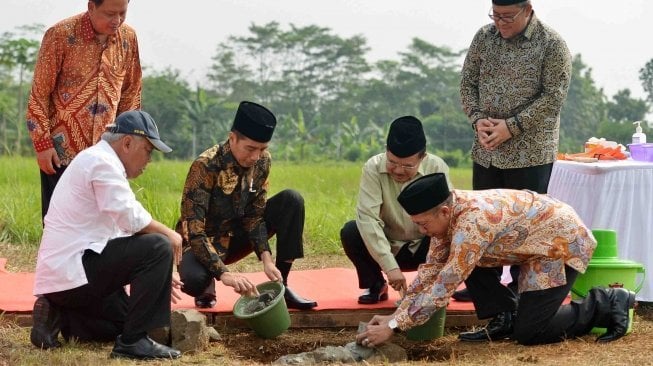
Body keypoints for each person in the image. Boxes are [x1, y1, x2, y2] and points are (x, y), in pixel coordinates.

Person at [356, 173, 636, 347]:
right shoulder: (447, 217)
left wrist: (394, 327)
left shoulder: (471, 225)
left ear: (443, 211)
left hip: (558, 242)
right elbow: (430, 272)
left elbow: (444, 286)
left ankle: (608, 301)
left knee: (532, 331)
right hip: (530, 243)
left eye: (422, 223)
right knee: (462, 264)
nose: (420, 231)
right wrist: (396, 313)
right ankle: (505, 317)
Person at [31, 110, 182, 360]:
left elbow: (119, 233)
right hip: (72, 272)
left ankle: (59, 314)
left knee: (125, 321)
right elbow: (130, 216)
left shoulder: (98, 160)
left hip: (68, 279)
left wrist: (158, 274)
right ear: (127, 143)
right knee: (157, 246)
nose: (149, 161)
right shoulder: (101, 162)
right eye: (148, 151)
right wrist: (170, 235)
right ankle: (133, 344)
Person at [455, 0, 573, 304]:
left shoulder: (552, 45)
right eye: (496, 16)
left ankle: (524, 288)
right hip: (487, 151)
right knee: (483, 220)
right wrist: (477, 119)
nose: (501, 23)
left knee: (525, 225)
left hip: (530, 153)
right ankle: (487, 288)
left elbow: (553, 99)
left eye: (508, 17)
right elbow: (467, 84)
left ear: (528, 10)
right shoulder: (484, 37)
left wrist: (512, 127)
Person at [176, 101, 317, 311]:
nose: (255, 157)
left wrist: (267, 259)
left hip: (237, 236)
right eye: (250, 148)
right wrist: (225, 274)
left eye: (262, 149)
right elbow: (194, 231)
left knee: (291, 200)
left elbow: (254, 215)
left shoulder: (262, 161)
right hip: (202, 240)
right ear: (232, 138)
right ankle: (209, 280)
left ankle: (282, 285)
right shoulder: (205, 165)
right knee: (194, 281)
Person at [26, 0, 142, 220]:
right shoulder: (60, 35)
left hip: (106, 153)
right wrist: (42, 144)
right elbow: (39, 94)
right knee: (59, 222)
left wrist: (129, 146)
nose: (116, 21)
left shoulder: (128, 38)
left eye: (122, 13)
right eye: (109, 14)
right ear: (91, 6)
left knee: (103, 226)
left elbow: (131, 95)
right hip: (61, 153)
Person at [340, 116, 451, 304]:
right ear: (386, 151)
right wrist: (390, 267)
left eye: (408, 165)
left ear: (422, 157)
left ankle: (434, 287)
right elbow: (368, 218)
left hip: (426, 245)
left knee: (451, 230)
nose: (399, 171)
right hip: (389, 246)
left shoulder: (436, 167)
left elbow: (446, 215)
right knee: (352, 230)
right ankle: (375, 284)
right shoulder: (372, 167)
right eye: (392, 162)